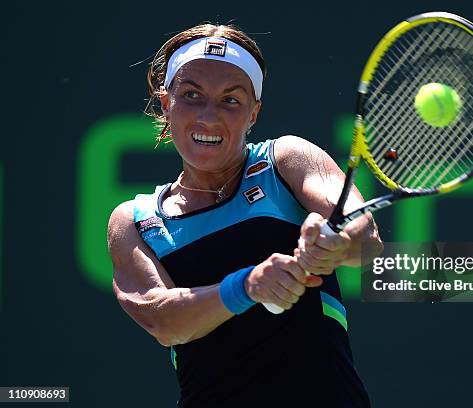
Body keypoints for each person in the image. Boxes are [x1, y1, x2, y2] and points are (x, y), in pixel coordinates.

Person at [107, 22, 383, 408]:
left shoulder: (285, 159)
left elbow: (364, 237)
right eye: (191, 95)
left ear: (254, 113)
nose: (208, 116)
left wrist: (336, 243)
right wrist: (247, 286)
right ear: (166, 102)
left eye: (231, 100)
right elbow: (164, 321)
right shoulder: (134, 220)